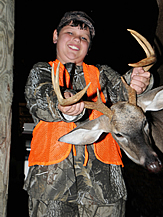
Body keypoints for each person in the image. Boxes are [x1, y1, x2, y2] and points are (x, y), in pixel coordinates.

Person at [24, 11, 153, 217]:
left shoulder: (102, 74)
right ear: (56, 36)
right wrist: (62, 104)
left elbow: (125, 91)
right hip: (52, 186)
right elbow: (40, 97)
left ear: (89, 46)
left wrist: (138, 82)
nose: (77, 39)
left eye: (84, 37)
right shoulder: (42, 71)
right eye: (70, 32)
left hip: (104, 189)